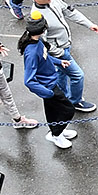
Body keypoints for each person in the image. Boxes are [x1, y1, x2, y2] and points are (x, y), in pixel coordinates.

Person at [25, 0, 98, 111]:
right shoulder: (37, 17)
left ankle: (63, 99)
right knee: (78, 75)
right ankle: (75, 102)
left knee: (61, 72)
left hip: (65, 44)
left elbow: (69, 12)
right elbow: (43, 42)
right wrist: (59, 53)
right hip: (59, 51)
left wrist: (89, 24)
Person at [21, 18, 81, 149]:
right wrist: (47, 93)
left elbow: (45, 57)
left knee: (53, 112)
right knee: (68, 110)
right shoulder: (31, 52)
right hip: (48, 87)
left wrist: (59, 62)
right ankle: (56, 134)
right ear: (43, 30)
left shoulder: (38, 42)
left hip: (50, 83)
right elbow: (28, 81)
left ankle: (58, 131)